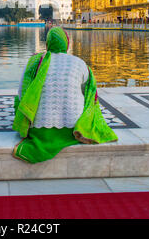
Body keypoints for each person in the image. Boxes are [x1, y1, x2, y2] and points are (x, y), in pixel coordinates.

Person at [12, 26, 117, 163]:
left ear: (48, 43)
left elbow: (21, 94)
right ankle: (79, 126)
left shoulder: (36, 61)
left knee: (19, 100)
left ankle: (27, 126)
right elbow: (90, 94)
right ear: (66, 43)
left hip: (39, 131)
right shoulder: (79, 63)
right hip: (73, 130)